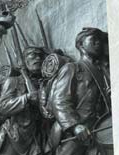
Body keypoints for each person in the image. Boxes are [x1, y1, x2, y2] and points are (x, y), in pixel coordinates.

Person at [40, 27, 111, 155]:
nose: (98, 42)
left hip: (101, 128)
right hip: (77, 132)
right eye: (93, 39)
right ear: (81, 45)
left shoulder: (103, 70)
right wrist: (75, 126)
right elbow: (60, 101)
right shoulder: (73, 68)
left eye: (99, 40)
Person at [0, 46, 47, 155]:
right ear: (24, 61)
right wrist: (26, 98)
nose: (37, 59)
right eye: (32, 55)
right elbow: (3, 108)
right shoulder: (13, 81)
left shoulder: (44, 84)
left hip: (36, 137)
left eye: (40, 56)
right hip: (14, 135)